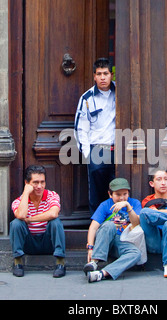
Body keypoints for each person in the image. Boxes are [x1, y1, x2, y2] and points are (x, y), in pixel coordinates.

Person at [74, 58, 116, 215]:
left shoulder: (121, 94)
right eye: (99, 74)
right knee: (97, 194)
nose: (103, 77)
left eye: (106, 73)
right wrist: (88, 154)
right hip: (97, 151)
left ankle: (119, 227)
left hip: (118, 150)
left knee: (118, 190)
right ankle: (97, 227)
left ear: (111, 75)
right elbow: (81, 129)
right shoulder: (87, 98)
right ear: (94, 76)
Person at [9, 165, 66, 278]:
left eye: (42, 182)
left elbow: (53, 213)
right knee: (16, 223)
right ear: (27, 183)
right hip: (28, 243)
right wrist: (26, 193)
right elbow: (20, 215)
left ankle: (60, 263)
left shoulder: (52, 195)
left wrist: (30, 219)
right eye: (35, 182)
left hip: (48, 242)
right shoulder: (18, 201)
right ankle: (18, 263)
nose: (40, 186)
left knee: (55, 222)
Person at [83, 178, 142, 283]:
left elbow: (136, 223)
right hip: (105, 240)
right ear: (110, 194)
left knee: (136, 253)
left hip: (122, 241)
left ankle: (102, 273)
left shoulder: (135, 203)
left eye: (125, 194)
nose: (122, 198)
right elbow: (93, 227)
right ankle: (94, 262)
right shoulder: (105, 205)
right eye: (118, 195)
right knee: (109, 225)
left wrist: (128, 206)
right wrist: (90, 247)